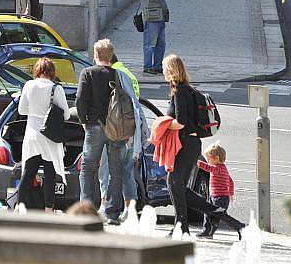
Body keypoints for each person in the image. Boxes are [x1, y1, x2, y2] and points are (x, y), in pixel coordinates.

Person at [162, 54, 244, 239]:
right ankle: (184, 225)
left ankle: (185, 225)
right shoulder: (187, 89)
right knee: (178, 186)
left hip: (186, 144)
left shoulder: (181, 91)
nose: (163, 72)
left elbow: (181, 122)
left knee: (174, 183)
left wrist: (161, 125)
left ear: (171, 70)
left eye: (165, 68)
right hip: (189, 144)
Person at [76, 39, 125, 225]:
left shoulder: (88, 73)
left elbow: (81, 99)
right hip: (116, 128)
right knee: (115, 170)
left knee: (88, 167)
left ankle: (87, 209)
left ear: (95, 55)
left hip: (94, 126)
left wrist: (83, 120)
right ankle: (112, 213)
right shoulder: (119, 75)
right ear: (111, 56)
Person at [17, 58, 70, 212]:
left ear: (37, 71)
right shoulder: (56, 89)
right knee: (50, 173)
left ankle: (20, 207)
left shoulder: (28, 85)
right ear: (52, 72)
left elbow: (21, 110)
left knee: (28, 173)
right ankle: (48, 209)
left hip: (32, 134)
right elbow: (66, 115)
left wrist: (35, 113)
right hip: (50, 137)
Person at [97, 54, 146, 220]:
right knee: (127, 172)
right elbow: (136, 103)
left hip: (114, 129)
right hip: (129, 130)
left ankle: (105, 206)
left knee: (107, 171)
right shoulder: (128, 74)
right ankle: (129, 208)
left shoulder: (112, 74)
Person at [196, 142, 235, 238]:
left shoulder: (217, 168)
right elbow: (231, 181)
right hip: (218, 196)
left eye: (209, 159)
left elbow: (208, 168)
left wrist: (198, 163)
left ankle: (208, 231)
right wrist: (230, 193)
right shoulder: (224, 168)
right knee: (213, 214)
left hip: (219, 198)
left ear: (216, 158)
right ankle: (209, 231)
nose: (208, 161)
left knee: (211, 214)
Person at [139, 0, 169, 75]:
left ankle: (157, 66)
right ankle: (147, 66)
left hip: (160, 17)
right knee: (150, 44)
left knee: (161, 44)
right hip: (151, 18)